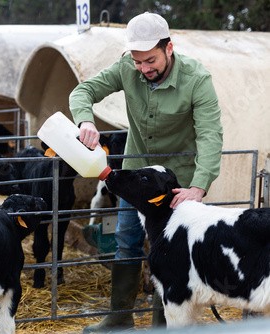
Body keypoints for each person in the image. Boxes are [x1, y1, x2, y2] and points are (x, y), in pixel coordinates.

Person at [69, 12, 223, 332]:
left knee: (169, 249)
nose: (144, 69)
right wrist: (85, 120)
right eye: (138, 62)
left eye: (150, 60)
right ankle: (119, 318)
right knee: (126, 241)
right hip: (136, 176)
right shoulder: (128, 69)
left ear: (169, 48)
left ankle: (162, 321)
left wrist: (199, 185)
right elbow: (82, 92)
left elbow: (210, 134)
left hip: (175, 183)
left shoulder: (197, 79)